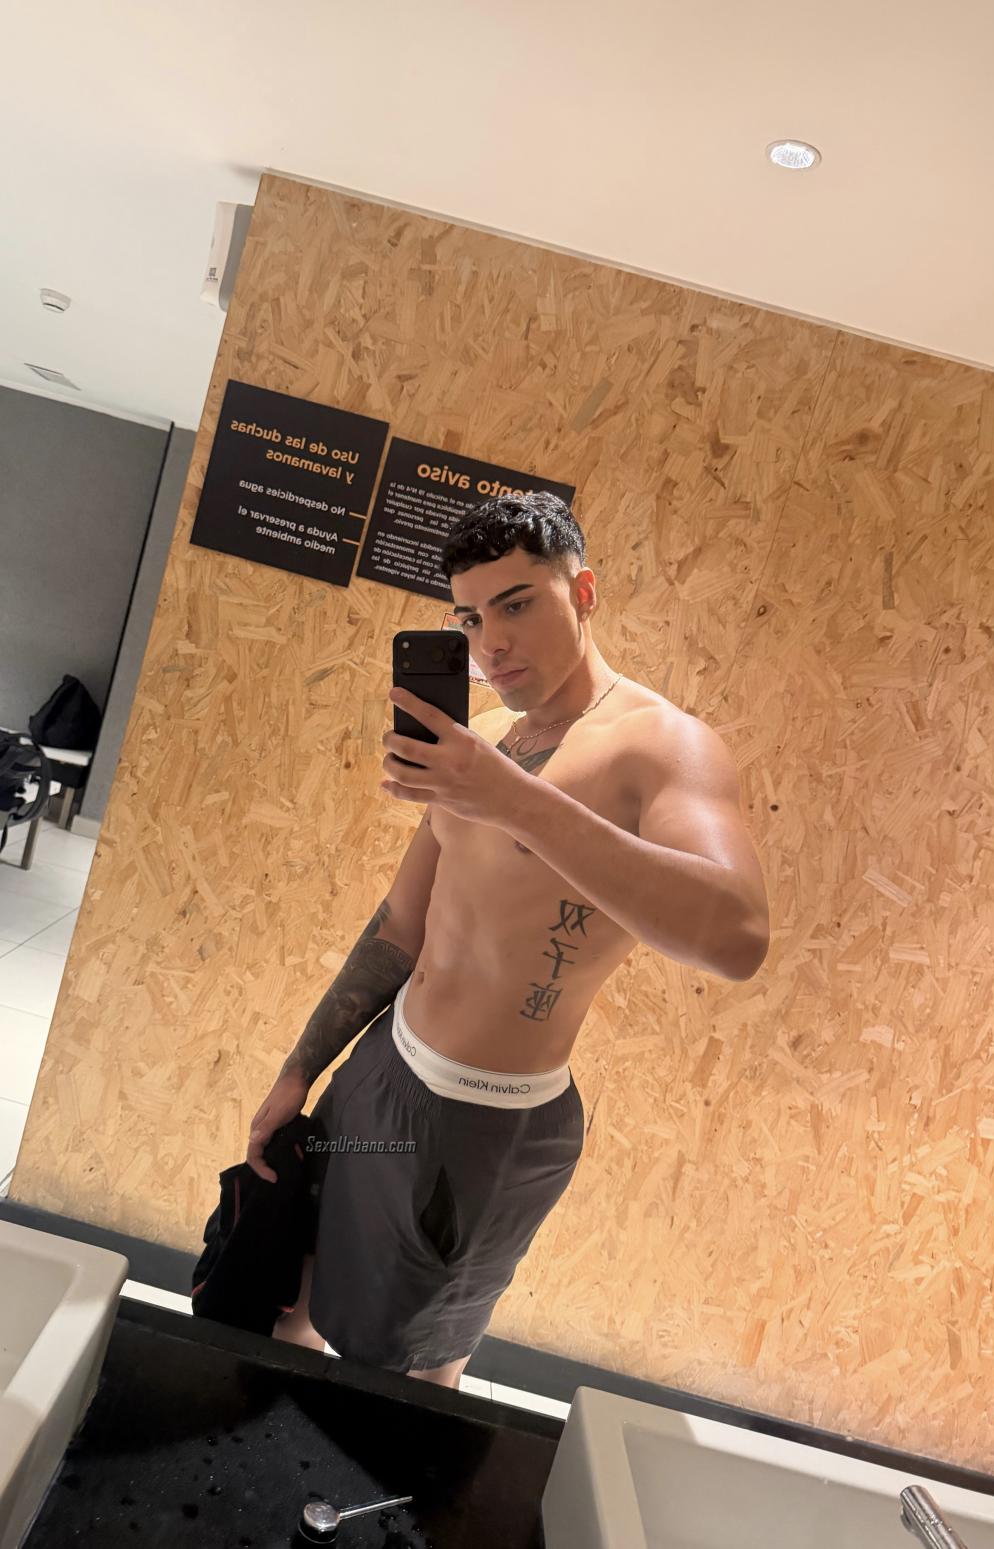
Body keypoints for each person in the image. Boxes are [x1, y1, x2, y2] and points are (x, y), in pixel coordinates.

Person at [247, 491, 769, 1387]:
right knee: (281, 1291)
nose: (492, 643)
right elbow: (400, 926)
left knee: (403, 1372)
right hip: (379, 1069)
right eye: (472, 617)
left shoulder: (660, 746)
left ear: (584, 592)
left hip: (479, 1118)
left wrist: (509, 799)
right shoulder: (482, 739)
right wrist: (301, 1068)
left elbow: (738, 933)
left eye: (518, 604)